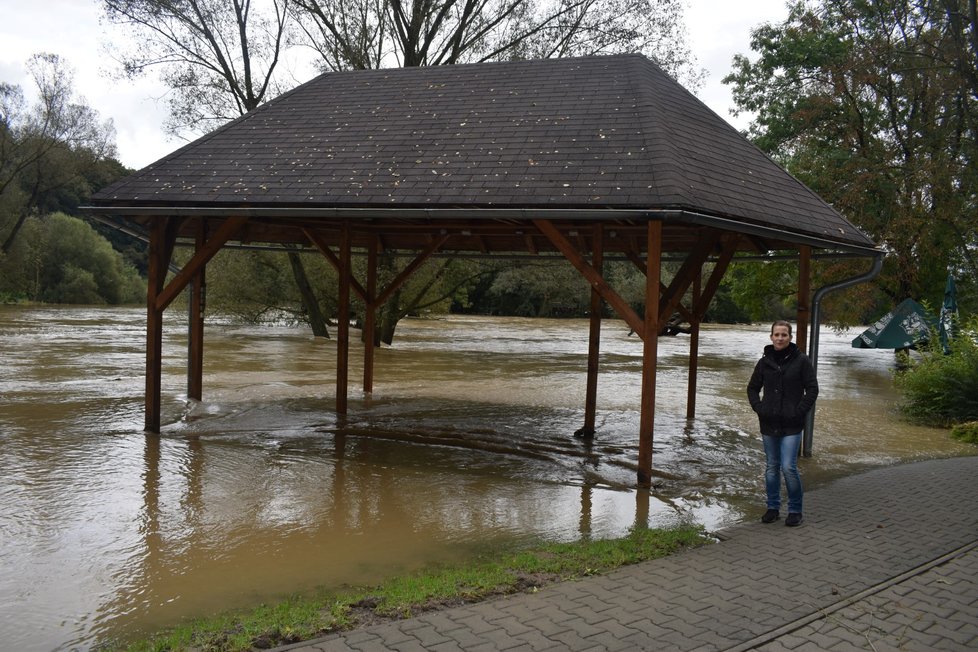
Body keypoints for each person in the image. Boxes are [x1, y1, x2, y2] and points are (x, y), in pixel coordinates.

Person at [746, 320, 818, 527]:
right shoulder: (764, 362)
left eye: (784, 335)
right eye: (776, 334)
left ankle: (795, 510)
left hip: (792, 423)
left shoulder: (802, 361)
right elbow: (752, 389)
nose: (780, 338)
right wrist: (759, 408)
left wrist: (799, 411)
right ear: (771, 337)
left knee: (788, 467)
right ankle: (773, 508)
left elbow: (812, 389)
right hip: (768, 422)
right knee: (771, 467)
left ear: (790, 337)